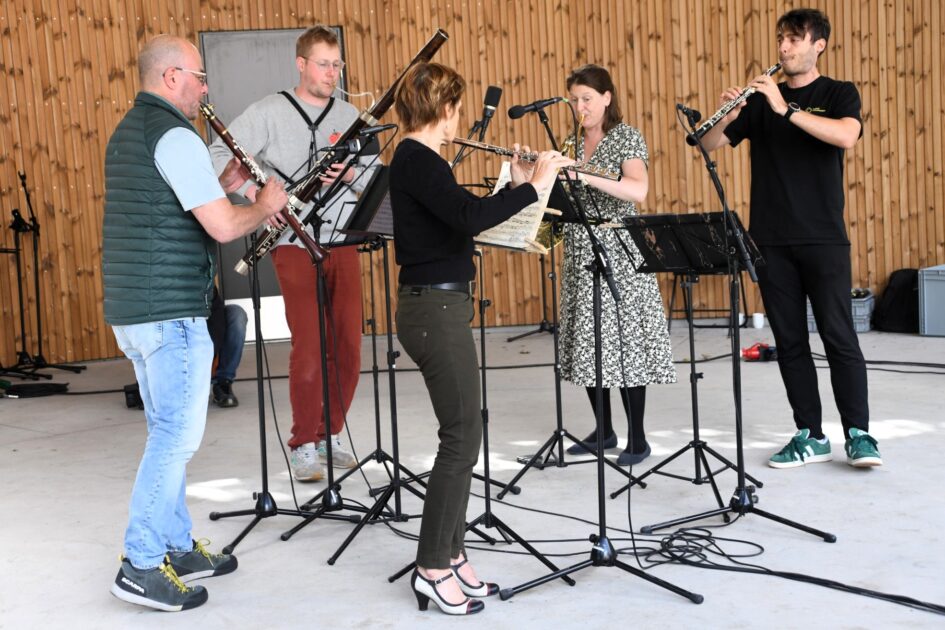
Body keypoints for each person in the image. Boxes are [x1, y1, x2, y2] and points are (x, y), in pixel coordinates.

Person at [103, 35, 287, 611]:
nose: (206, 89)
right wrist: (264, 203)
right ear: (172, 76)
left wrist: (229, 185)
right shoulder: (176, 136)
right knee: (176, 439)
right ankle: (139, 562)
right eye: (200, 77)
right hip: (170, 310)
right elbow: (224, 228)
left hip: (135, 310)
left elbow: (175, 203)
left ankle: (177, 545)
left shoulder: (128, 133)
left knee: (166, 433)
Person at [390, 62, 570, 616]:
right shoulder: (417, 159)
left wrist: (516, 186)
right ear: (445, 109)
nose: (460, 118)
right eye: (457, 108)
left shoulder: (423, 161)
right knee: (461, 436)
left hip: (442, 305)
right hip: (433, 310)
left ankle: (454, 551)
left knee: (466, 432)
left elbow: (465, 217)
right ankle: (431, 566)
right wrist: (537, 185)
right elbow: (468, 217)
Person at [700, 8, 882, 468]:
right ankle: (811, 435)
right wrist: (734, 113)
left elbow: (846, 136)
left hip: (823, 237)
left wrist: (787, 110)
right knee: (790, 341)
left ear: (818, 44)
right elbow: (706, 144)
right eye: (782, 39)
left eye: (795, 40)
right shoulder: (762, 100)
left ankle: (859, 434)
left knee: (840, 337)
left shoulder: (838, 93)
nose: (784, 48)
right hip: (770, 241)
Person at [210, 25, 374, 481]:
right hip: (292, 243)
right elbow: (214, 155)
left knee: (348, 344)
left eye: (337, 64)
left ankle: (330, 433)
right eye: (323, 63)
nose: (332, 72)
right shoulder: (268, 111)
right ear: (301, 64)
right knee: (309, 342)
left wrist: (351, 177)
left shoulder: (351, 114)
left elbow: (372, 178)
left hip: (343, 239)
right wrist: (257, 199)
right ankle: (303, 441)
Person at [557, 64, 677, 466]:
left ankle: (638, 440)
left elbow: (637, 190)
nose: (580, 107)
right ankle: (604, 430)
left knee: (625, 348)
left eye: (587, 99)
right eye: (574, 99)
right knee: (591, 345)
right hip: (580, 250)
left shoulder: (626, 137)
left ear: (607, 97)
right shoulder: (569, 141)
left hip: (618, 255)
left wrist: (585, 175)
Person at [208, 286, 248, 408]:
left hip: (208, 333)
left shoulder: (204, 276)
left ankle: (223, 382)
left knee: (237, 313)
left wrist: (211, 356)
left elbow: (217, 317)